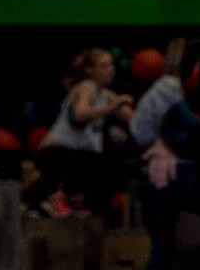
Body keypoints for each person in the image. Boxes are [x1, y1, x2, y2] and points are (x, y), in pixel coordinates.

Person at [132, 38, 200, 270]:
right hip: (188, 174)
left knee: (162, 248)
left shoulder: (158, 93)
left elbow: (139, 131)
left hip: (161, 175)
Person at [32, 48, 134, 217]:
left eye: (111, 65)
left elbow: (133, 119)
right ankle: (56, 198)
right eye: (104, 66)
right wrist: (112, 107)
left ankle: (70, 201)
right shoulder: (86, 87)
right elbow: (80, 114)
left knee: (106, 164)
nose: (111, 69)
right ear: (90, 70)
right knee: (96, 161)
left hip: (75, 158)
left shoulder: (106, 95)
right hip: (54, 154)